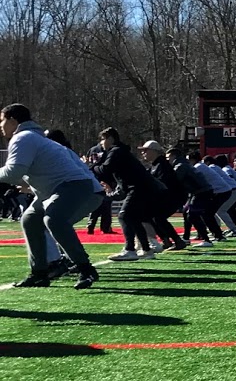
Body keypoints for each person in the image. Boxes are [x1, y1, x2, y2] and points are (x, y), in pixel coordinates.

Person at [0, 104, 104, 289]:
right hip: (61, 188)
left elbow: (14, 172)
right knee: (30, 219)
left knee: (54, 219)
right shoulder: (33, 137)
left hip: (73, 186)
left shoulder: (22, 137)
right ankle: (40, 273)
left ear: (13, 120)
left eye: (2, 120)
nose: (1, 125)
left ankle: (85, 269)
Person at [92, 127, 164, 260]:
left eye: (103, 139)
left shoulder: (116, 151)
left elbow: (105, 170)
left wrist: (91, 166)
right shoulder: (121, 151)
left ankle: (130, 249)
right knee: (134, 218)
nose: (101, 143)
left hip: (139, 188)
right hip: (143, 188)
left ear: (111, 139)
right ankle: (147, 250)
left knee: (124, 216)